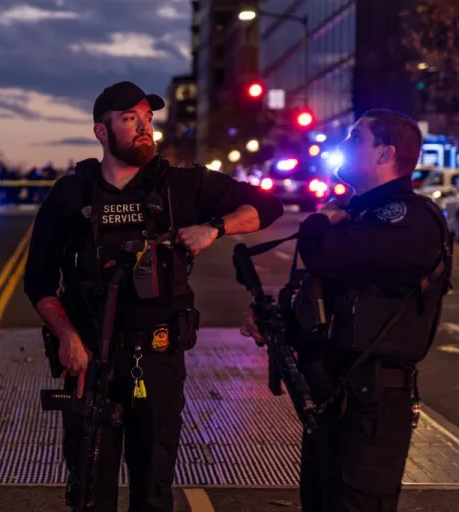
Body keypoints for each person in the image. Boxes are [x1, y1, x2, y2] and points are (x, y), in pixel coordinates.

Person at [24, 81, 284, 511]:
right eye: (130, 119)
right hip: (89, 358)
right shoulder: (71, 194)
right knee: (89, 491)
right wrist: (67, 336)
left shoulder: (182, 186)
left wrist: (215, 227)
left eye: (148, 118)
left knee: (153, 490)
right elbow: (38, 281)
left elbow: (267, 206)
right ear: (102, 132)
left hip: (157, 358)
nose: (145, 127)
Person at [241, 109, 452, 512]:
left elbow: (326, 253)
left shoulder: (407, 216)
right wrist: (279, 321)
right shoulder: (362, 213)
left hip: (371, 402)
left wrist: (320, 218)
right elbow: (337, 295)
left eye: (356, 139)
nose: (343, 146)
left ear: (385, 154)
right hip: (334, 394)